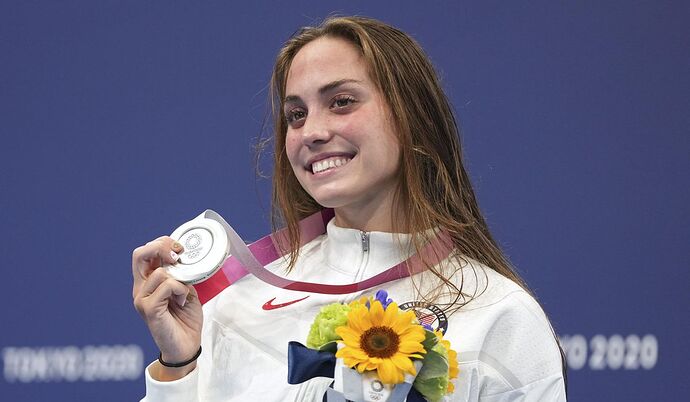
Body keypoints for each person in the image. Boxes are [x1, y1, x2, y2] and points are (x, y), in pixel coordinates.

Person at [132, 16, 567, 401]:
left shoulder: (498, 313)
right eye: (296, 114)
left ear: (411, 115)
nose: (312, 132)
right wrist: (178, 366)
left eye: (341, 102)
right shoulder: (231, 306)